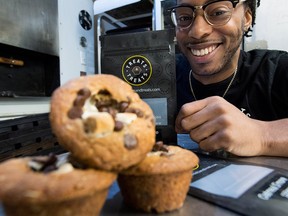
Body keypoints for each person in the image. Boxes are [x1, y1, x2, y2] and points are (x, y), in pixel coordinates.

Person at [170, 0, 288, 157]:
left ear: (246, 18)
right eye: (184, 17)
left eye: (218, 13)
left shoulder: (277, 69)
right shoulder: (161, 73)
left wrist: (261, 135)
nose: (198, 31)